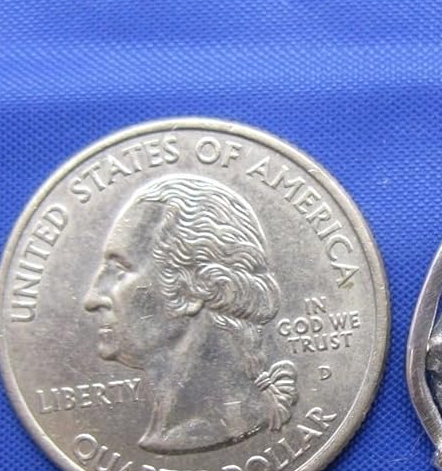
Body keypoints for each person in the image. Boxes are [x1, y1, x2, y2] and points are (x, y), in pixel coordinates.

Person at [83, 174, 296, 455]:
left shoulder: (213, 427)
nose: (91, 299)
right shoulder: (172, 431)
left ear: (196, 287)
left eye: (119, 270)